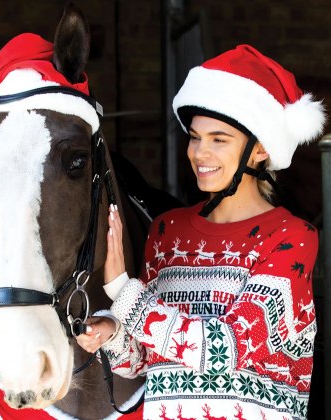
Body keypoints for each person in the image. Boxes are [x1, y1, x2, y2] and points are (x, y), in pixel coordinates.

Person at [76, 44, 327, 420]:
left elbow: (222, 351)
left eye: (218, 139)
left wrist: (122, 292)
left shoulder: (291, 237)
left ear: (259, 150)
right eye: (195, 137)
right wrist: (111, 334)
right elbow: (146, 359)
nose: (199, 153)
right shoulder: (167, 230)